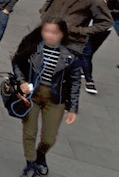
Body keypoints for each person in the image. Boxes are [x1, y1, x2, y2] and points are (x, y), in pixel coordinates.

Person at [12, 17, 81, 177]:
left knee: (49, 137)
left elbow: (75, 82)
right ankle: (30, 163)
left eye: (54, 32)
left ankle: (41, 155)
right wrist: (22, 82)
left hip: (56, 98)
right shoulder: (33, 46)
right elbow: (17, 62)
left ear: (62, 34)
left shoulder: (71, 55)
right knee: (29, 132)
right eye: (46, 31)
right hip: (33, 95)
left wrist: (73, 108)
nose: (49, 35)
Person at [39, 0, 112, 57]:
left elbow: (106, 22)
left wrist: (80, 31)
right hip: (47, 34)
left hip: (71, 41)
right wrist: (44, 13)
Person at [80, 0, 119, 94]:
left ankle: (83, 69)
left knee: (90, 52)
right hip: (86, 28)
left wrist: (106, 8)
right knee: (86, 53)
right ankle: (89, 81)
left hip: (102, 29)